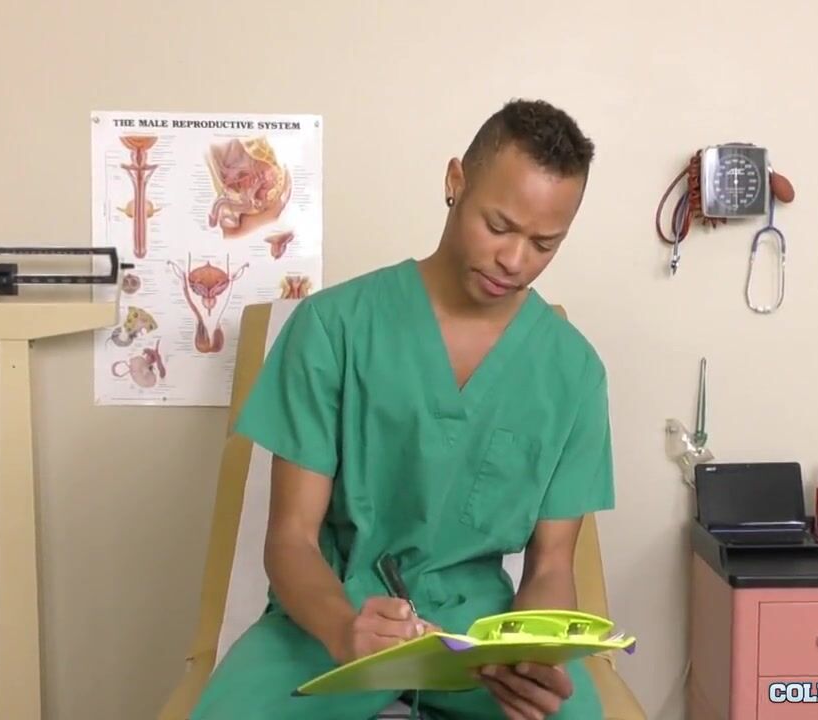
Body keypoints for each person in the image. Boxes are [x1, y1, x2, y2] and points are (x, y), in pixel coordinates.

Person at [190, 98, 615, 720]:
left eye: (544, 243)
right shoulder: (333, 329)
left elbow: (551, 564)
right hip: (332, 620)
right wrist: (343, 630)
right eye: (499, 226)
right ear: (455, 182)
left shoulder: (572, 372)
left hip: (478, 641)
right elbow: (290, 540)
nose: (515, 260)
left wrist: (531, 653)